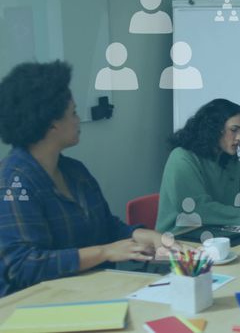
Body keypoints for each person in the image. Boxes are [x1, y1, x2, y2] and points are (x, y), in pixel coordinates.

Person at [0, 61, 168, 297]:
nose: (79, 120)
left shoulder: (75, 172)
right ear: (51, 123)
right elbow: (22, 265)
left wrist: (148, 236)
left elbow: (108, 228)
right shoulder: (13, 182)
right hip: (38, 306)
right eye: (74, 113)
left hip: (93, 293)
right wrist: (104, 253)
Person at [156, 98, 240, 233]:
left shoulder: (227, 158)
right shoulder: (181, 157)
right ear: (213, 128)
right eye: (234, 130)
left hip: (216, 231)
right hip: (180, 239)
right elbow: (197, 208)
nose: (239, 138)